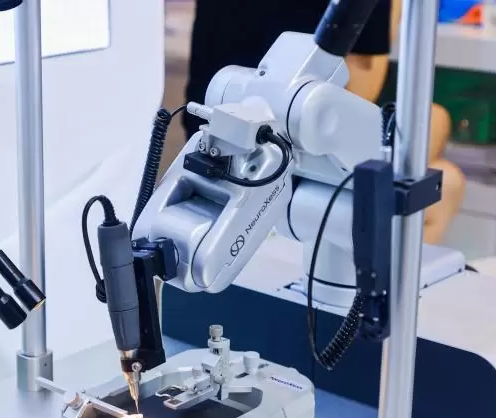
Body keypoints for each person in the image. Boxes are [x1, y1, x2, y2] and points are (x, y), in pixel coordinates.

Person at [183, 0, 465, 244]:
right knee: (446, 180)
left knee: (434, 126)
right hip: (282, 158)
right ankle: (363, 282)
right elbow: (356, 93)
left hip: (208, 138)